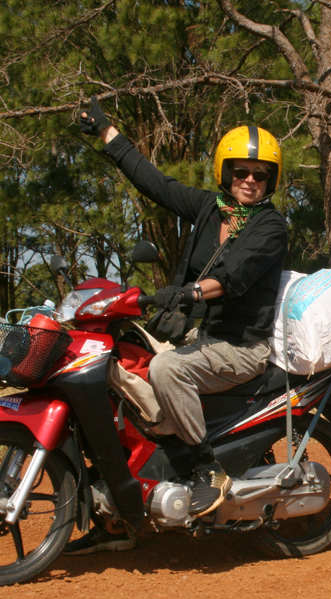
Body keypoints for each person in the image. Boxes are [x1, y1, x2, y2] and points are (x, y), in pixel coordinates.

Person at [64, 96, 288, 555]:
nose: (249, 181)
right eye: (241, 171)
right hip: (198, 338)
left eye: (259, 174)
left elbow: (235, 275)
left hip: (240, 347)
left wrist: (188, 293)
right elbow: (155, 183)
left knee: (168, 371)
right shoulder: (209, 209)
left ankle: (206, 467)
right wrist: (107, 132)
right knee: (112, 355)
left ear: (270, 181)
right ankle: (121, 501)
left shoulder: (271, 227)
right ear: (225, 173)